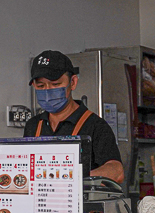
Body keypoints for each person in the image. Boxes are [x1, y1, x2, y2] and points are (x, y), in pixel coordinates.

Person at [24, 50, 124, 183]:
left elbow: (116, 172)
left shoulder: (95, 126)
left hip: (81, 202)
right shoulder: (33, 126)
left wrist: (72, 178)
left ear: (73, 82)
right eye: (41, 86)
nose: (47, 91)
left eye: (56, 84)